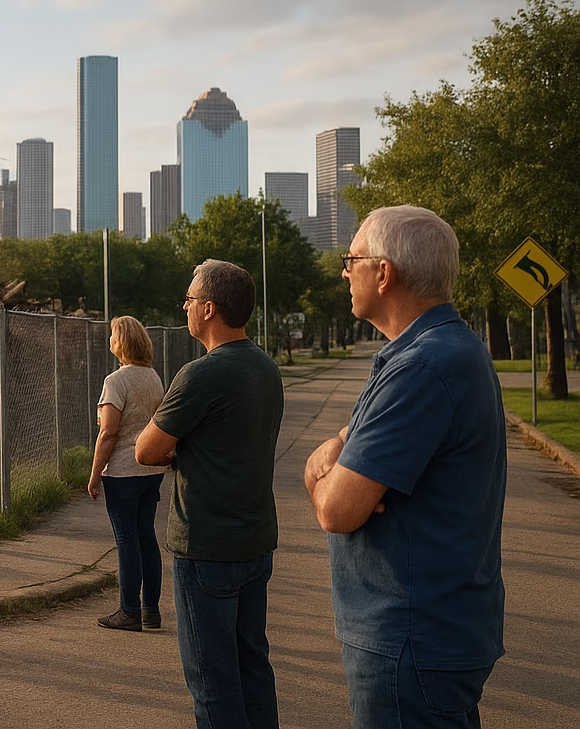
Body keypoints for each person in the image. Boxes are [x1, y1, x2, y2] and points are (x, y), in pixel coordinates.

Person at [304, 205, 504, 728]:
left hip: (408, 638)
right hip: (436, 631)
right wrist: (335, 456)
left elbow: (338, 509)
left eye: (352, 260)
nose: (345, 272)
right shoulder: (443, 350)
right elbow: (348, 447)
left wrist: (319, 470)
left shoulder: (421, 367)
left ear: (384, 272)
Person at [135, 259, 284, 729]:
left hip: (206, 549)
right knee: (252, 667)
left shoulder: (200, 374)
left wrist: (178, 450)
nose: (185, 305)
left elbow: (145, 450)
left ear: (210, 309)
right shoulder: (265, 366)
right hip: (254, 542)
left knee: (212, 681)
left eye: (190, 298)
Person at [87, 315, 168, 631]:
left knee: (127, 541)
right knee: (147, 536)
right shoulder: (153, 378)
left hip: (122, 473)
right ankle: (151, 610)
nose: (109, 340)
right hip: (150, 470)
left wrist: (95, 475)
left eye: (111, 335)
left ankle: (129, 610)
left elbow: (108, 433)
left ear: (120, 342)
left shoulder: (116, 381)